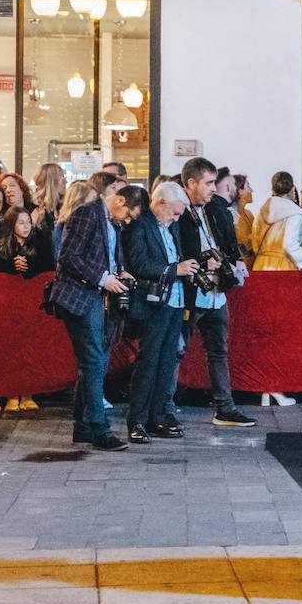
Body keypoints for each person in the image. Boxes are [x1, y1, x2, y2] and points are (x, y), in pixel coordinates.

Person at [48, 183, 143, 451]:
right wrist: (104, 279)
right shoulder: (86, 214)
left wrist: (121, 272)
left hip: (97, 298)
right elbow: (67, 256)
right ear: (120, 201)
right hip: (80, 298)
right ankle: (100, 430)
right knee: (93, 363)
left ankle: (83, 427)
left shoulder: (110, 220)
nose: (126, 222)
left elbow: (111, 254)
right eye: (128, 215)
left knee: (94, 363)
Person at [178, 157, 255, 428]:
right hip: (190, 290)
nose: (214, 189)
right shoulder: (179, 210)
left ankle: (225, 408)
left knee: (219, 351)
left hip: (216, 290)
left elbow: (227, 242)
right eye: (209, 183)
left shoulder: (215, 209)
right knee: (175, 349)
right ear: (191, 183)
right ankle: (161, 408)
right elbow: (173, 251)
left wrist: (234, 263)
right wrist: (200, 259)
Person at [123, 181, 199, 443]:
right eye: (175, 212)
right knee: (149, 362)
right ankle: (137, 420)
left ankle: (158, 416)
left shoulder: (172, 227)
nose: (177, 218)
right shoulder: (140, 227)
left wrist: (185, 270)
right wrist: (174, 270)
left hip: (175, 301)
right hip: (153, 303)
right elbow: (140, 263)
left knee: (167, 362)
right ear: (161, 203)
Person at [252, 172, 302, 274]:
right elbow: (289, 244)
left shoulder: (263, 210)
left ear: (274, 189)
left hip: (260, 265)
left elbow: (255, 241)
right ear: (292, 189)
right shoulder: (294, 212)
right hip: (283, 267)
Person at [0, 208, 54, 277]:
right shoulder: (0, 246)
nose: (26, 226)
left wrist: (28, 264)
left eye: (29, 222)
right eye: (21, 223)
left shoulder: (40, 241)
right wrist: (12, 266)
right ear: (12, 224)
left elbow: (49, 267)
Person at [52, 181, 97, 258]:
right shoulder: (63, 226)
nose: (96, 203)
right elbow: (61, 258)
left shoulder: (93, 223)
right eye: (93, 199)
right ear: (80, 200)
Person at [32, 163, 66, 240]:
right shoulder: (32, 206)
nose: (66, 181)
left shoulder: (65, 204)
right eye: (62, 178)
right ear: (51, 182)